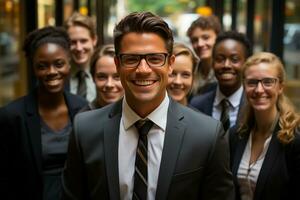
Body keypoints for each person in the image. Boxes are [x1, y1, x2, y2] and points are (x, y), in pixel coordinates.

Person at [62, 11, 234, 200]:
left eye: (154, 58)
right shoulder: (85, 130)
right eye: (131, 59)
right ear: (118, 65)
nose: (143, 69)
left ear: (170, 64)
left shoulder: (207, 135)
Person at [0, 26, 87, 200]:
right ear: (33, 68)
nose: (52, 72)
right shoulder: (11, 116)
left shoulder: (83, 109)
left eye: (59, 63)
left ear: (69, 63)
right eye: (42, 66)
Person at [229, 52, 300, 200]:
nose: (259, 90)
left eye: (268, 82)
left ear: (280, 87)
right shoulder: (236, 135)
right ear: (244, 86)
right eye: (252, 82)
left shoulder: (295, 138)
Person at [190, 31, 252, 131]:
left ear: (246, 64)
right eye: (220, 59)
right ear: (213, 63)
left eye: (234, 59)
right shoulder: (196, 105)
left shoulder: (254, 106)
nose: (226, 65)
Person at [64, 12, 97, 102]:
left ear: (94, 40)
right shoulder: (60, 76)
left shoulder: (106, 74)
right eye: (73, 42)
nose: (79, 48)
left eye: (83, 41)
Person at [81, 44, 124, 111]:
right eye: (102, 77)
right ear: (93, 78)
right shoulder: (82, 119)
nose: (109, 84)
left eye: (117, 77)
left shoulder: (141, 115)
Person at [186, 14, 221, 97]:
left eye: (206, 38)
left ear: (218, 38)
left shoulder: (225, 70)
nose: (200, 44)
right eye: (195, 40)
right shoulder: (191, 70)